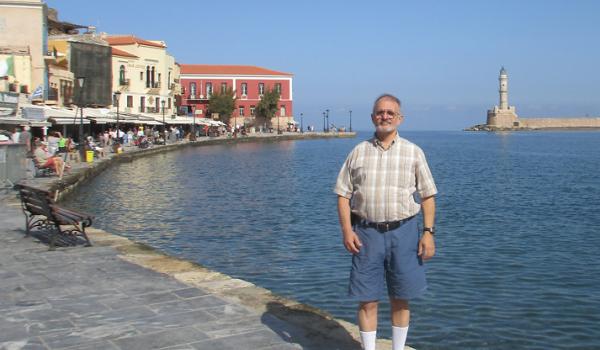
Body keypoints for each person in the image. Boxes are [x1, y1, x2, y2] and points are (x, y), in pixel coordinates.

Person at [334, 94, 437, 350]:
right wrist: (347, 231)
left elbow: (428, 196)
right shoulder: (358, 152)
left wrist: (428, 233)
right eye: (380, 112)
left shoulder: (413, 152)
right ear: (372, 117)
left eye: (391, 113)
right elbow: (342, 195)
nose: (385, 116)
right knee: (367, 299)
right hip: (366, 233)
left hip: (404, 233)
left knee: (401, 297)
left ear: (399, 118)